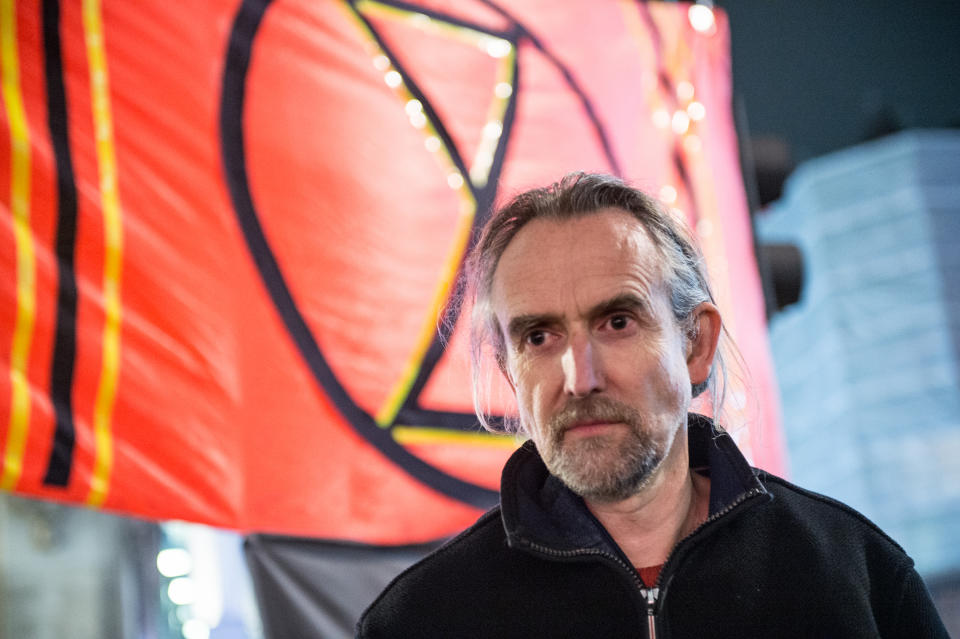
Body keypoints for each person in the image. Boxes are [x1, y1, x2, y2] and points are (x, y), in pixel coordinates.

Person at [356, 173, 947, 638]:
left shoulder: (855, 575)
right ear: (512, 372)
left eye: (617, 322)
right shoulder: (422, 621)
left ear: (697, 344)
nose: (580, 378)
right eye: (539, 337)